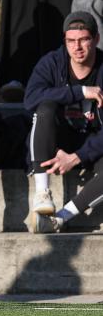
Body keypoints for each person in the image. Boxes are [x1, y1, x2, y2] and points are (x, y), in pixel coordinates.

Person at [24, 12, 103, 234]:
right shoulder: (52, 63)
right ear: (65, 41)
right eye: (71, 41)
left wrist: (77, 157)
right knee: (45, 108)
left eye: (84, 39)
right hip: (56, 143)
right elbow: (30, 99)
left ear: (96, 39)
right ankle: (42, 194)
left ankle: (60, 218)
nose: (77, 47)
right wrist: (80, 92)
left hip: (93, 145)